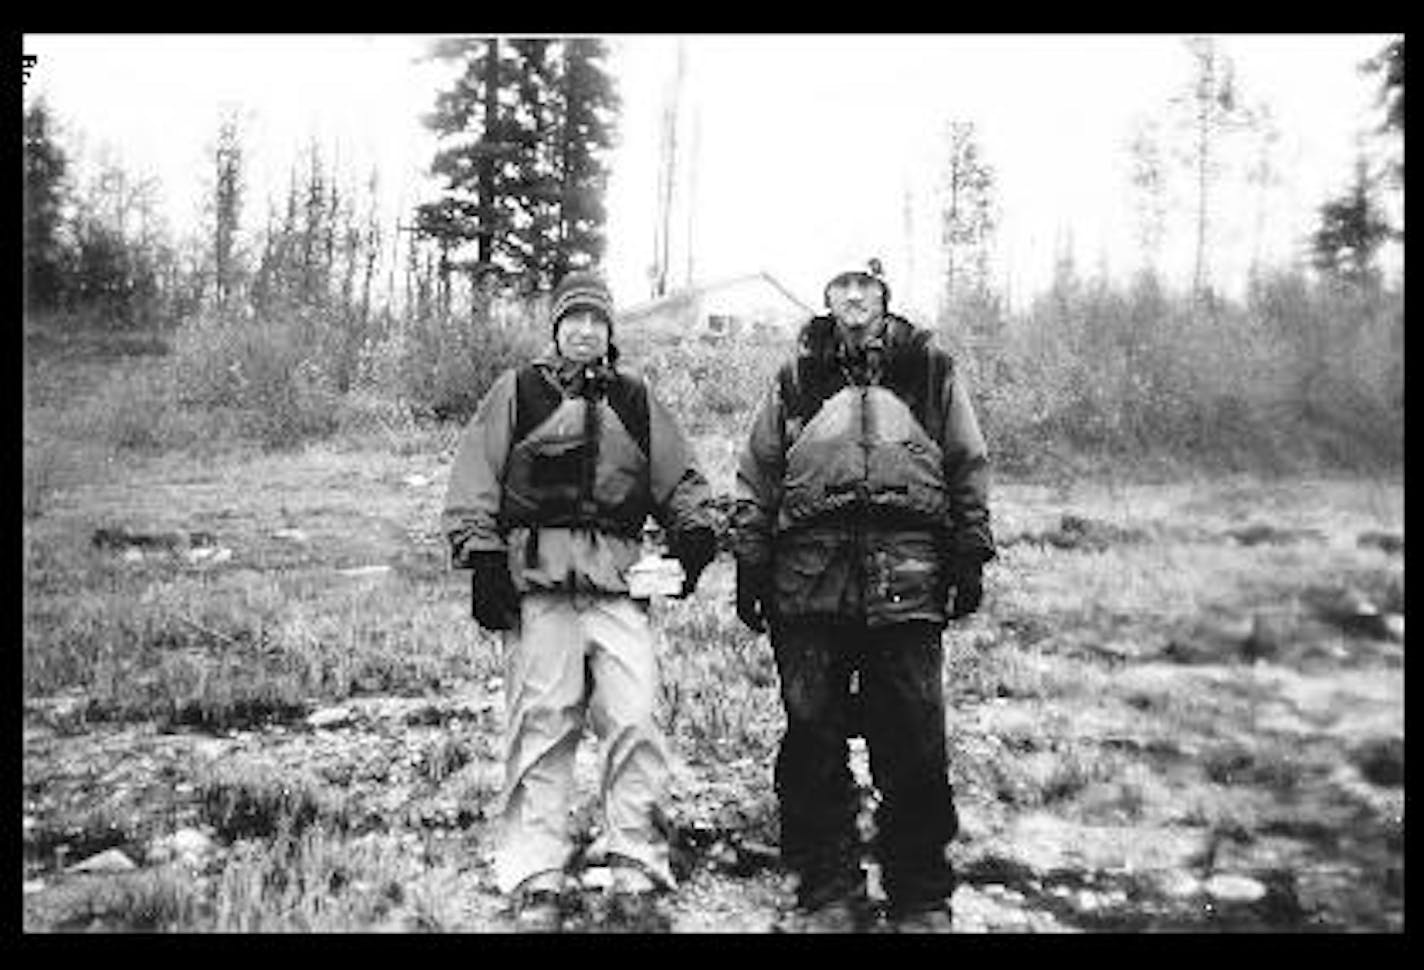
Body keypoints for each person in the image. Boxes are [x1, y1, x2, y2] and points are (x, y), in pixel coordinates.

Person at [442, 269, 718, 932]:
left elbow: (679, 479)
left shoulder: (636, 398)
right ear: (556, 328)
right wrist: (482, 557)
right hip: (539, 592)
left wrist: (695, 530)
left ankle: (636, 857)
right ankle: (536, 867)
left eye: (597, 320)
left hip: (618, 590)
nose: (586, 331)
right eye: (574, 320)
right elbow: (474, 478)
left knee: (634, 718)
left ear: (610, 330)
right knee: (543, 724)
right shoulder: (518, 393)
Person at [731, 259, 995, 933]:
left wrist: (970, 548)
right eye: (841, 284)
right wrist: (752, 561)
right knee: (812, 736)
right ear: (826, 295)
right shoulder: (796, 375)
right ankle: (827, 887)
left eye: (865, 284)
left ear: (884, 294)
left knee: (913, 736)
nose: (854, 296)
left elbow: (965, 458)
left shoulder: (930, 368)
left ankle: (921, 893)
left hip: (906, 575)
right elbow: (759, 469)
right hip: (808, 580)